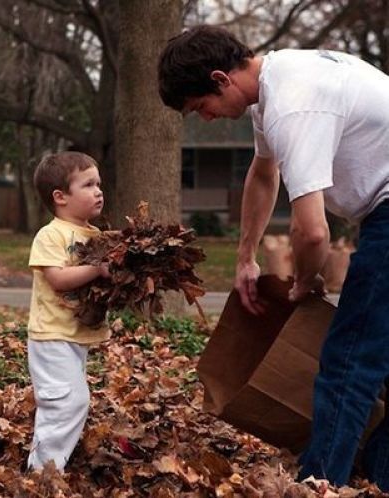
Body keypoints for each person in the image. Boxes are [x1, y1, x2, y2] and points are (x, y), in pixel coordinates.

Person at [158, 25, 389, 489]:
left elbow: (311, 232)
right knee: (376, 355)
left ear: (221, 79)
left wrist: (305, 281)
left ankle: (317, 484)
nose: (205, 118)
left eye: (201, 107)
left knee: (348, 358)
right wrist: (246, 257)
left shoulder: (292, 104)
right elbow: (264, 175)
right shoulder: (275, 84)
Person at [26, 151, 111, 471]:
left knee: (70, 402)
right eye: (88, 185)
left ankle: (47, 466)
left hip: (74, 335)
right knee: (66, 402)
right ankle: (41, 472)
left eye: (99, 184)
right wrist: (97, 270)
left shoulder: (97, 236)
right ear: (60, 197)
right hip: (51, 336)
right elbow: (58, 278)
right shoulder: (51, 234)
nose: (99, 191)